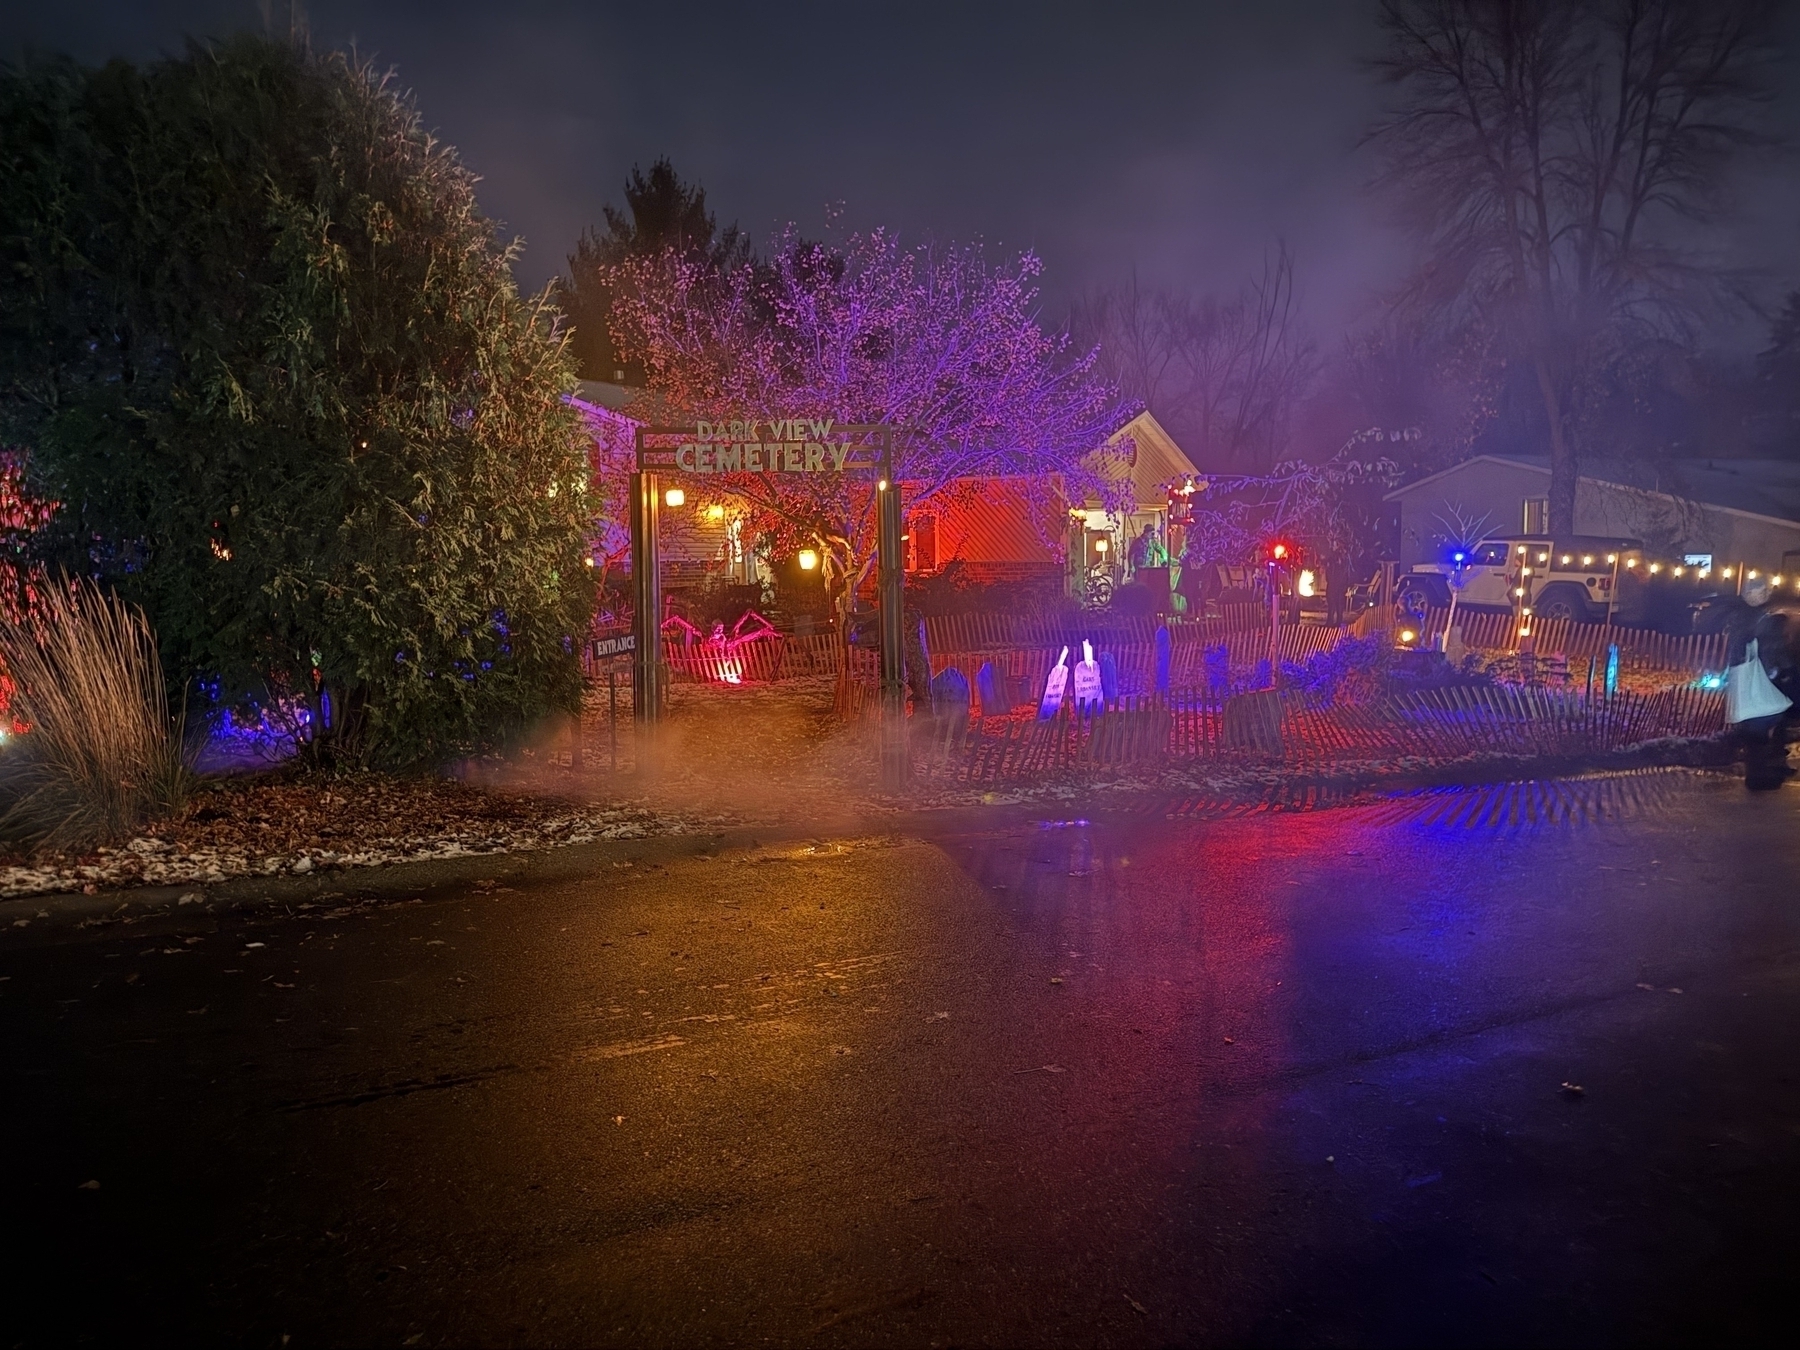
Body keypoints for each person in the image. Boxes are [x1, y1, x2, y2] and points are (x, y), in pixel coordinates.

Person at [1723, 578, 1799, 790]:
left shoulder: (1741, 617)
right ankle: (1760, 773)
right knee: (1767, 720)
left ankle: (1762, 769)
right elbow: (1771, 648)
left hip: (1747, 675)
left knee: (1758, 724)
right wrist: (1781, 669)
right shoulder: (1764, 619)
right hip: (1764, 675)